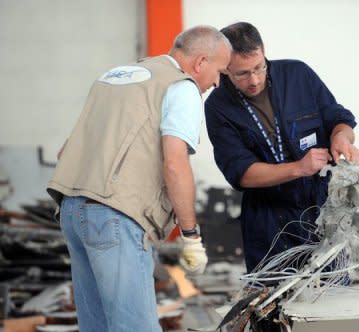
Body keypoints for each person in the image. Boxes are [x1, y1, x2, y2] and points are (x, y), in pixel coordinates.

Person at [47, 25, 231, 332]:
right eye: (219, 71)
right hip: (115, 218)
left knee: (98, 326)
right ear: (200, 62)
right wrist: (190, 236)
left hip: (71, 211)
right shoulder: (181, 87)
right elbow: (174, 163)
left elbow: (65, 151)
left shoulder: (116, 76)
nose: (216, 81)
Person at [205, 22, 359, 275]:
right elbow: (240, 172)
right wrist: (299, 168)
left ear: (263, 51)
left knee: (332, 295)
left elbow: (338, 118)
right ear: (225, 69)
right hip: (268, 218)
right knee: (274, 302)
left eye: (258, 67)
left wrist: (342, 137)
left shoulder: (297, 74)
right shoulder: (218, 106)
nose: (254, 80)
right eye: (242, 74)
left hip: (320, 208)